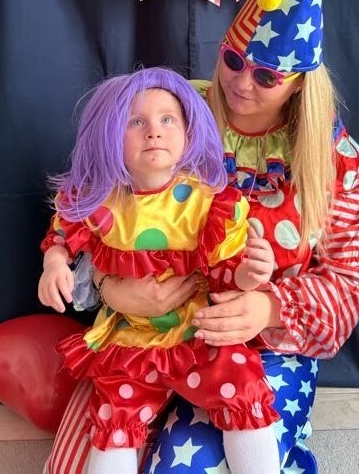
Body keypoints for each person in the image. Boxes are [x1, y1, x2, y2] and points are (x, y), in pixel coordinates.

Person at [44, 0, 359, 473]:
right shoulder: (175, 112)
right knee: (89, 455)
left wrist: (269, 307)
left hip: (260, 349)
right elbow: (102, 202)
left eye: (266, 76)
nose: (242, 84)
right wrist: (109, 287)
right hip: (145, 331)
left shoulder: (334, 156)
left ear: (298, 83)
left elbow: (348, 279)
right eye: (233, 62)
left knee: (189, 464)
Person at [38, 66, 282, 474]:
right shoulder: (101, 201)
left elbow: (227, 271)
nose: (154, 132)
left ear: (188, 131)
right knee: (113, 419)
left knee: (243, 388)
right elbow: (62, 235)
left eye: (167, 119)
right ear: (109, 134)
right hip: (129, 337)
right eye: (136, 122)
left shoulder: (207, 200)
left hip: (197, 331)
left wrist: (252, 274)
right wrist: (53, 265)